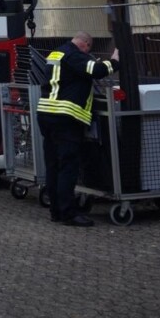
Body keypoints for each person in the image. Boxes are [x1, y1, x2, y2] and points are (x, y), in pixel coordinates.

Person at [37, 31, 117, 227]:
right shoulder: (75, 55)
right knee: (68, 167)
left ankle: (56, 211)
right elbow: (97, 70)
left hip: (46, 116)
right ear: (86, 45)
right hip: (66, 119)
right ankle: (69, 214)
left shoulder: (56, 53)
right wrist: (114, 61)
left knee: (53, 165)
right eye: (88, 50)